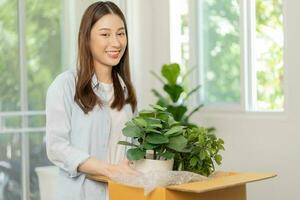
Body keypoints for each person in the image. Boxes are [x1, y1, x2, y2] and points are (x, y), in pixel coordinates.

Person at [45, 1, 139, 200]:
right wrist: (109, 170)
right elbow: (56, 148)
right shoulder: (64, 86)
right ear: (87, 38)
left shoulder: (125, 89)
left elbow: (132, 147)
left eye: (121, 33)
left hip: (122, 194)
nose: (116, 42)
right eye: (105, 34)